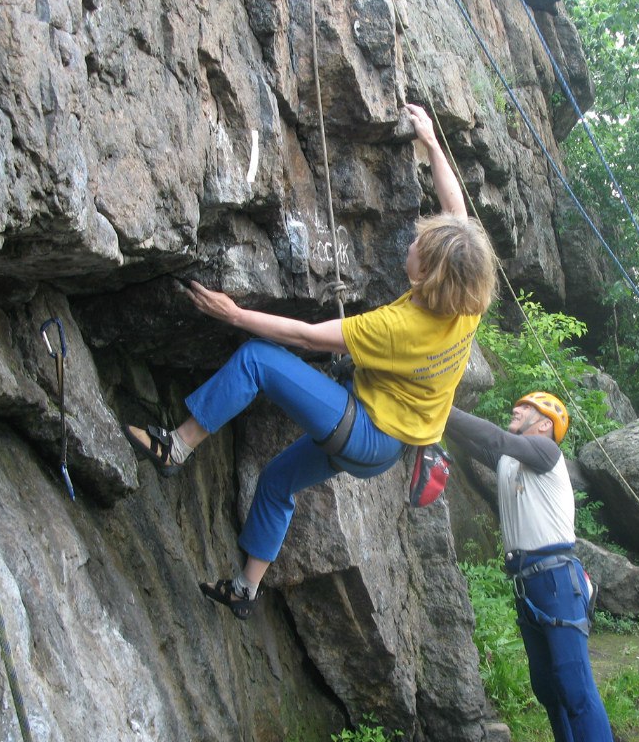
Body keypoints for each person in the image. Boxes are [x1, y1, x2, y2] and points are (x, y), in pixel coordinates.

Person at [122, 103, 496, 620]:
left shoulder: (401, 328)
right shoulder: (466, 302)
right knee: (276, 481)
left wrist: (234, 314)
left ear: (429, 275)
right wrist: (431, 143)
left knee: (257, 360)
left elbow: (308, 335)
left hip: (364, 430)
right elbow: (458, 217)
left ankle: (177, 446)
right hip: (382, 446)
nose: (411, 242)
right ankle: (246, 590)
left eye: (417, 247)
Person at [443, 393, 621, 742]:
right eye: (519, 404)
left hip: (557, 580)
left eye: (529, 408)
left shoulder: (544, 451)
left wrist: (438, 401)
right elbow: (468, 438)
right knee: (548, 689)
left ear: (544, 425)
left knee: (574, 687)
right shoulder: (511, 462)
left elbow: (491, 438)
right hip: (530, 584)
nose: (517, 408)